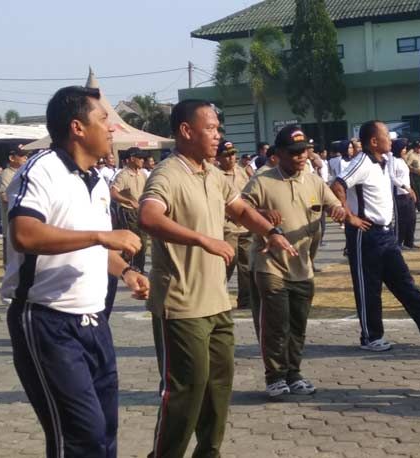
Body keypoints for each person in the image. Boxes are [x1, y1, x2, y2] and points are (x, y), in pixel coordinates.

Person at [137, 99, 296, 458]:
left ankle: (209, 452)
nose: (218, 135)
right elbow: (148, 217)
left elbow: (239, 209)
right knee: (184, 392)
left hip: (216, 303)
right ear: (186, 131)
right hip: (181, 304)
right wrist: (202, 239)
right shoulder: (167, 175)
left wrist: (270, 231)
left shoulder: (213, 173)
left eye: (218, 128)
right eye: (211, 128)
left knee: (219, 387)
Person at [3, 85, 150, 458]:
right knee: (79, 437)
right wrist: (102, 234)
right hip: (47, 320)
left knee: (105, 431)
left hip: (94, 322)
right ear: (77, 127)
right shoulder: (41, 171)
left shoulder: (96, 181)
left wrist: (125, 272)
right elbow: (25, 234)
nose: (112, 128)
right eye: (103, 119)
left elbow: (90, 249)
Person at [330, 120, 420, 352]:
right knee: (369, 287)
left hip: (385, 233)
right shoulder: (362, 162)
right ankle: (371, 337)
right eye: (387, 135)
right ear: (374, 141)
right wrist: (350, 217)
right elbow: (337, 185)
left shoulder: (386, 161)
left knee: (402, 279)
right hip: (365, 233)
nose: (391, 139)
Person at [243, 125, 345, 397]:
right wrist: (262, 212)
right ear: (277, 154)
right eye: (294, 152)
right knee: (276, 323)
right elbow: (238, 211)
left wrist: (337, 209)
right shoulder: (262, 181)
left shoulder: (312, 181)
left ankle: (294, 373)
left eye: (304, 152)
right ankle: (275, 376)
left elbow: (333, 202)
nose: (301, 157)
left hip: (303, 266)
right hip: (270, 265)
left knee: (297, 325)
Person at [217, 139, 253, 309]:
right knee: (227, 264)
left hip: (245, 227)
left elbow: (248, 197)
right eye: (226, 155)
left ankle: (245, 299)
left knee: (246, 265)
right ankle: (218, 297)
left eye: (233, 154)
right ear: (218, 158)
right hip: (227, 227)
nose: (231, 158)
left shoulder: (242, 172)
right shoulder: (215, 175)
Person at [110, 147, 149, 273]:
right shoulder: (123, 175)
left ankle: (138, 267)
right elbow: (113, 193)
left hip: (140, 210)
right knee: (134, 241)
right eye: (140, 158)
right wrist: (128, 201)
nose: (143, 160)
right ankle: (129, 266)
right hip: (128, 212)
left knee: (142, 242)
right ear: (132, 159)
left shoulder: (142, 173)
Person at [0, 150, 29, 266]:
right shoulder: (7, 174)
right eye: (21, 156)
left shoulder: (22, 171)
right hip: (12, 218)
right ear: (12, 158)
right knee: (11, 254)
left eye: (26, 155)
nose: (25, 158)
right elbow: (5, 196)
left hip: (22, 218)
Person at [389, 138, 418, 250]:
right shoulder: (393, 160)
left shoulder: (402, 160)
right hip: (399, 194)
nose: (405, 150)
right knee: (401, 219)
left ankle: (409, 242)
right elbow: (392, 177)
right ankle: (397, 242)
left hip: (407, 193)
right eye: (403, 148)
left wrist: (411, 190)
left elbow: (406, 178)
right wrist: (404, 187)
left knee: (412, 218)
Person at [406, 141, 420, 212]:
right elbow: (407, 165)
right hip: (414, 175)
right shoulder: (412, 155)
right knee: (417, 191)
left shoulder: (418, 155)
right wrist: (415, 170)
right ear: (415, 148)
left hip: (419, 175)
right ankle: (419, 207)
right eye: (418, 148)